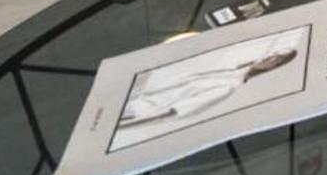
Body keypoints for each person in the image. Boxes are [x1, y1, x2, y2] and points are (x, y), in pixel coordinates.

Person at [116, 46, 301, 131]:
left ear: (274, 67)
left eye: (276, 59)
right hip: (137, 93)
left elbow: (174, 112)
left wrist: (125, 124)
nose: (269, 57)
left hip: (140, 109)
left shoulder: (228, 87)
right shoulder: (230, 66)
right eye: (274, 53)